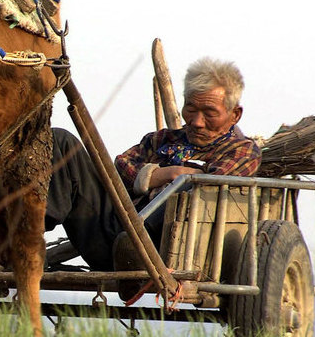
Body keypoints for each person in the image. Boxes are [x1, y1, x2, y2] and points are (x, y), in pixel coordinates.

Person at [45, 57, 262, 271]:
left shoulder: (242, 150)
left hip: (166, 252)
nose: (196, 121)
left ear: (235, 115)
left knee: (190, 186)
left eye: (209, 113)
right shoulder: (161, 139)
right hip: (113, 233)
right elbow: (121, 165)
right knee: (62, 140)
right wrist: (167, 173)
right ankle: (32, 231)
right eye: (191, 108)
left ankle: (135, 248)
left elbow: (212, 183)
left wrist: (185, 178)